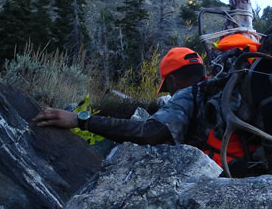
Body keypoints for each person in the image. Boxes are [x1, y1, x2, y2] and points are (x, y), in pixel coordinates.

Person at [33, 47, 210, 149]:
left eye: (167, 89)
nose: (170, 95)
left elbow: (148, 133)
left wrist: (80, 120)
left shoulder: (188, 94)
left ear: (172, 80)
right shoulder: (214, 90)